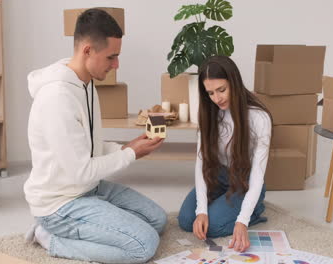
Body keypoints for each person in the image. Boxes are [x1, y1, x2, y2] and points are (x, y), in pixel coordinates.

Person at [24, 9, 167, 264]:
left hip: (89, 188)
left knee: (157, 219)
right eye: (111, 57)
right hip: (61, 204)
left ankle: (99, 223)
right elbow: (81, 171)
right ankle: (49, 236)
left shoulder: (86, 83)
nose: (116, 65)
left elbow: (86, 147)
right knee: (144, 245)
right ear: (87, 50)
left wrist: (127, 146)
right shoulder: (57, 99)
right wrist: (131, 154)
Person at [178, 55, 272, 252]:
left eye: (222, 90)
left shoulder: (259, 118)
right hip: (217, 176)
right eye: (210, 93)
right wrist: (202, 210)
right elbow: (201, 163)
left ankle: (254, 209)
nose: (216, 98)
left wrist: (242, 221)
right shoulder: (209, 113)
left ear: (234, 83)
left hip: (244, 180)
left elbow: (257, 174)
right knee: (188, 221)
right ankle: (223, 208)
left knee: (213, 227)